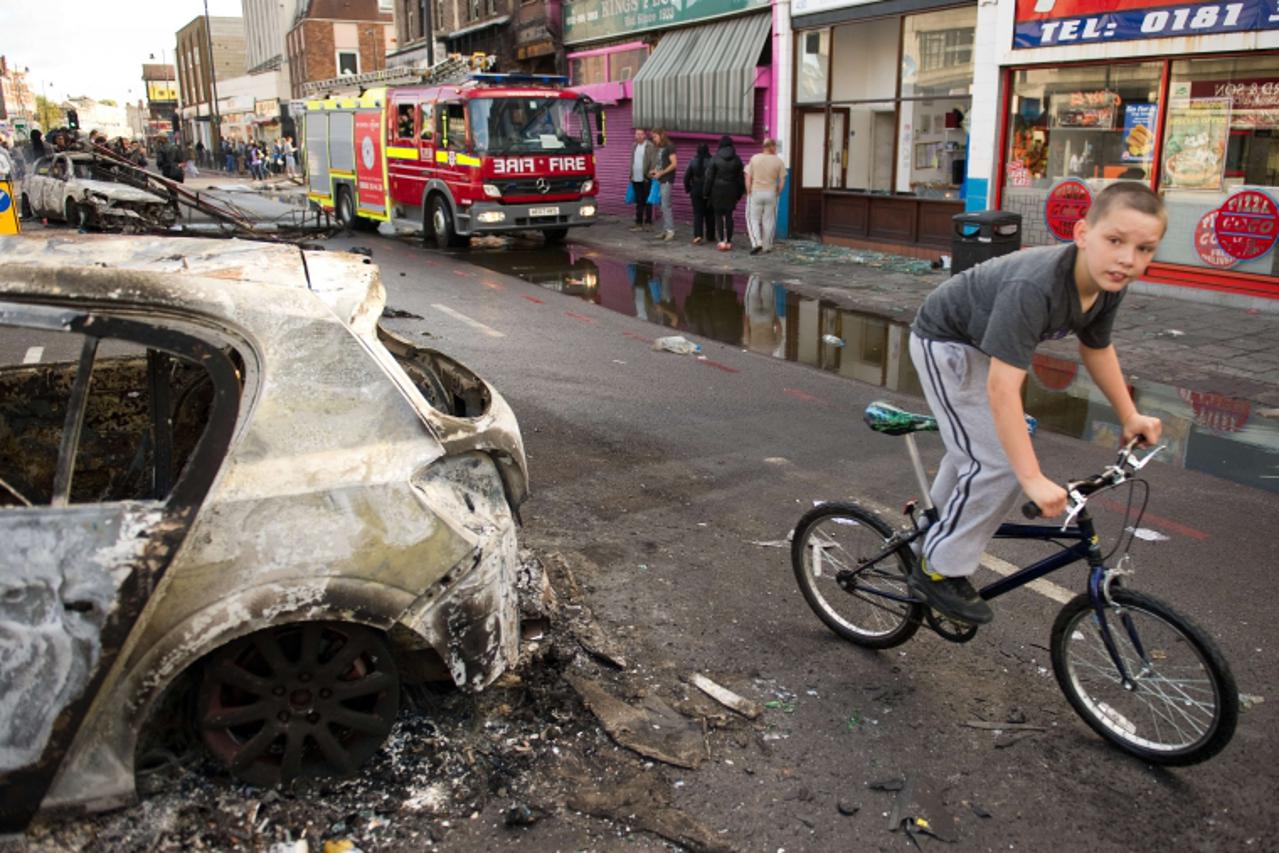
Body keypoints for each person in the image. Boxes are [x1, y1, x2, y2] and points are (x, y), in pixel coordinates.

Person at [906, 181, 1165, 625]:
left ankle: (925, 535)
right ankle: (938, 567)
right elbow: (1003, 390)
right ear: (1083, 233)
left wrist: (1129, 414)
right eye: (1116, 241)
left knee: (983, 446)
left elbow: (1097, 348)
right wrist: (1031, 477)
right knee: (999, 461)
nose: (1128, 259)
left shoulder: (1108, 284)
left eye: (1145, 249)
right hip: (945, 342)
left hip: (981, 344)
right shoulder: (1036, 285)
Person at [702, 135, 745, 251]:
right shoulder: (737, 159)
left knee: (718, 216)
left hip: (717, 190)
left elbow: (709, 178)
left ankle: (721, 241)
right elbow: (741, 178)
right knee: (729, 215)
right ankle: (729, 241)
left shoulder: (715, 158)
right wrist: (740, 192)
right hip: (732, 190)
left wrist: (706, 192)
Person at [745, 138, 787, 255]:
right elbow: (782, 180)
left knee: (752, 218)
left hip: (756, 192)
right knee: (769, 220)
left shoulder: (754, 158)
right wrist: (778, 192)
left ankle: (756, 242)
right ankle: (767, 246)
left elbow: (748, 178)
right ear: (771, 147)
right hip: (771, 193)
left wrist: (748, 191)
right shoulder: (778, 161)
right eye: (775, 146)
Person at [648, 128, 678, 242]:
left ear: (661, 135)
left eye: (655, 136)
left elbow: (674, 164)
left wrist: (662, 173)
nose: (654, 139)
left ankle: (670, 231)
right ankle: (665, 230)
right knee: (661, 206)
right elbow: (661, 164)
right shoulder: (660, 148)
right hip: (659, 180)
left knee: (666, 205)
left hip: (666, 180)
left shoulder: (670, 146)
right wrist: (655, 170)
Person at [683, 142, 712, 245]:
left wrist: (688, 189)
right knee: (710, 213)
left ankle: (698, 235)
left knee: (698, 214)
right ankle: (710, 235)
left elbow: (686, 177)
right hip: (709, 190)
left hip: (696, 189)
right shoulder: (712, 161)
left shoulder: (693, 161)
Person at [629, 127, 657, 232]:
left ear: (645, 135)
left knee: (647, 201)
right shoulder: (634, 146)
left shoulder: (650, 146)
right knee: (638, 201)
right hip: (635, 178)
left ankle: (648, 222)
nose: (638, 136)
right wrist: (630, 175)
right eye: (637, 134)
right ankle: (638, 223)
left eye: (641, 134)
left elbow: (653, 162)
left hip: (646, 178)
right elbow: (632, 161)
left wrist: (649, 175)